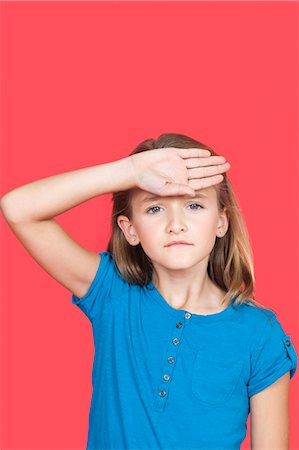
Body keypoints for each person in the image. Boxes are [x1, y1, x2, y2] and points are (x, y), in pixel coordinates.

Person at [1, 132, 297, 449]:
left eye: (194, 205)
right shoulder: (112, 293)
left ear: (221, 222)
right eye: (155, 209)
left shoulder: (259, 333)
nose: (176, 224)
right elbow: (18, 209)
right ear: (131, 230)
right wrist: (128, 171)